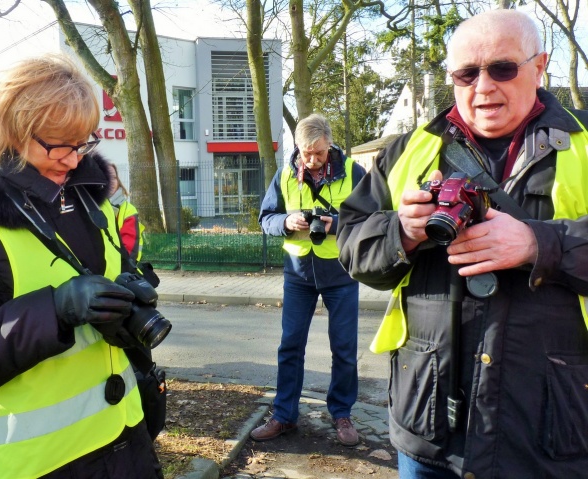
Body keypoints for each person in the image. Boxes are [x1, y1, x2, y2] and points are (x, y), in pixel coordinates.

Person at [337, 9, 588, 479]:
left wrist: (539, 244)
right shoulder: (409, 149)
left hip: (555, 433)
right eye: (467, 73)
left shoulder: (585, 143)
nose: (484, 86)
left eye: (502, 68)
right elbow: (350, 243)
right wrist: (403, 232)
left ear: (540, 66)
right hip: (429, 429)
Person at [0, 55, 163, 479]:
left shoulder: (80, 191)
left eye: (82, 143)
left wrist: (130, 289)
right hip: (32, 462)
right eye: (59, 144)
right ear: (10, 131)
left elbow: (112, 264)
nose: (72, 159)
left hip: (122, 435)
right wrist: (56, 311)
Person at [252, 113, 366, 446]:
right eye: (306, 152)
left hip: (342, 274)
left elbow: (373, 218)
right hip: (298, 274)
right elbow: (266, 219)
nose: (312, 160)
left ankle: (342, 414)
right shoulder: (286, 174)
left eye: (318, 152)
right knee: (290, 346)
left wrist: (336, 223)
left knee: (344, 349)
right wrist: (287, 221)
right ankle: (284, 415)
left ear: (330, 143)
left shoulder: (353, 173)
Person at [108, 162, 145, 264]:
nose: (112, 182)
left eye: (114, 178)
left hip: (120, 270)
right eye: (107, 177)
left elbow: (129, 251)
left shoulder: (128, 210)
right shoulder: (87, 206)